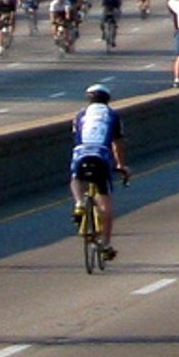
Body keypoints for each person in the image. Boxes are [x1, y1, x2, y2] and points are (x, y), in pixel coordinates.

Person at [69, 84, 131, 259]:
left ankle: (79, 202)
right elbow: (117, 144)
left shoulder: (80, 115)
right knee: (105, 203)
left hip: (81, 154)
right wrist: (121, 166)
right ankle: (106, 243)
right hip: (101, 157)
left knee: (75, 178)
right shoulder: (113, 115)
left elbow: (77, 136)